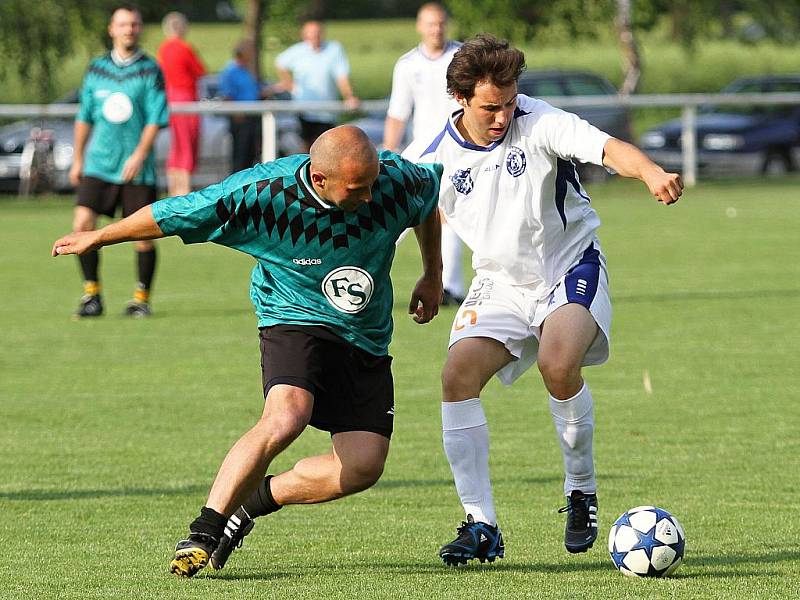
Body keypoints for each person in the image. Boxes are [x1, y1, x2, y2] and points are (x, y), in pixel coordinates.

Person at [52, 126, 444, 578]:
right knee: (286, 415)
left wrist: (432, 273)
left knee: (362, 467)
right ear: (319, 179)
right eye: (358, 188)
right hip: (293, 316)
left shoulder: (393, 178)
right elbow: (173, 212)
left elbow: (426, 201)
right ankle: (204, 529)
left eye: (373, 183)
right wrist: (100, 237)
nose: (372, 196)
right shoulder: (261, 195)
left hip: (365, 334)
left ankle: (250, 506)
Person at [402, 34, 683, 565]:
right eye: (491, 107)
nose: (504, 115)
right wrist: (432, 275)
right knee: (456, 377)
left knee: (558, 365)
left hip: (569, 264)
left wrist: (648, 171)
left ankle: (581, 489)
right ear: (459, 99)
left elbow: (607, 148)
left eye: (509, 102)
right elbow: (416, 209)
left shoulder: (541, 120)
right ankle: (481, 523)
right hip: (499, 282)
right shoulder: (430, 154)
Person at [67, 3, 168, 319]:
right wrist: (78, 157)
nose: (129, 30)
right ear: (112, 29)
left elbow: (155, 118)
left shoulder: (150, 70)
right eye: (123, 25)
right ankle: (92, 295)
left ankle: (141, 298)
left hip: (136, 168)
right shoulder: (96, 69)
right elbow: (85, 116)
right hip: (99, 164)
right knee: (82, 224)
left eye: (134, 25)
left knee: (142, 234)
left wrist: (139, 154)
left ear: (140, 29)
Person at [383, 2, 466, 306]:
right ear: (420, 26)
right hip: (423, 152)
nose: (436, 29)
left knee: (451, 215)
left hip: (460, 150)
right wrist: (389, 153)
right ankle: (369, 273)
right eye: (431, 24)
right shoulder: (407, 65)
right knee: (402, 213)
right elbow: (397, 113)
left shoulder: (463, 58)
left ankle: (452, 287)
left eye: (441, 23)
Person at [273, 20, 360, 152]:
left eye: (317, 33)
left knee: (328, 150)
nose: (314, 37)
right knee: (305, 150)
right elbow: (280, 63)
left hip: (327, 112)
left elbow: (342, 77)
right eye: (311, 34)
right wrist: (290, 84)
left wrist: (349, 96)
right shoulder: (298, 50)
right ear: (304, 35)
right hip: (304, 110)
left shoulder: (334, 49)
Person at [157, 11, 206, 197]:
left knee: (176, 146)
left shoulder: (163, 49)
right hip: (185, 99)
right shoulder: (184, 48)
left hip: (170, 100)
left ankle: (173, 190)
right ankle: (183, 192)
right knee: (187, 146)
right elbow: (200, 70)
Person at [219, 40, 263, 173]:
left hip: (252, 116)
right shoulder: (230, 71)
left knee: (251, 154)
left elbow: (254, 91)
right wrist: (235, 114)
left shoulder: (247, 71)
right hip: (240, 118)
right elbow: (227, 95)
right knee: (240, 155)